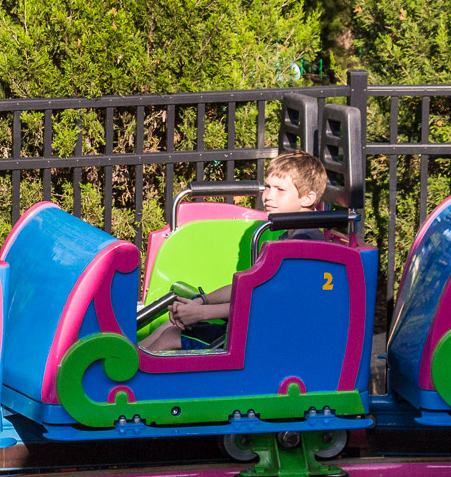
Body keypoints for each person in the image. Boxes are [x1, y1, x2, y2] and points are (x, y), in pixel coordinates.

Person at [140, 150, 329, 353]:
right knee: (168, 327)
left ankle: (125, 378)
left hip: (267, 343)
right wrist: (201, 301)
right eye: (267, 187)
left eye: (280, 190)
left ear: (308, 198)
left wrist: (201, 313)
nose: (268, 196)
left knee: (170, 336)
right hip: (256, 331)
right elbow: (247, 284)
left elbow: (270, 303)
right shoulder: (288, 236)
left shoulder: (304, 244)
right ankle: (122, 370)